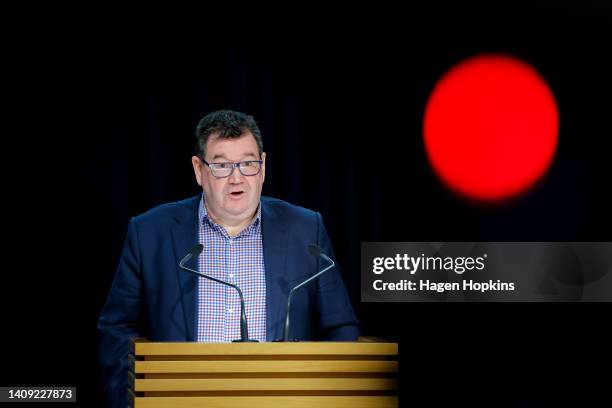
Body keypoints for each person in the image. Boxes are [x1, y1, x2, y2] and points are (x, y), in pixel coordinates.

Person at [97, 109, 360, 407]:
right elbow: (117, 328)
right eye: (221, 166)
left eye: (248, 163)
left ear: (263, 167)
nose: (237, 178)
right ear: (199, 169)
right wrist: (130, 401)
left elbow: (340, 327)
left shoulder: (305, 229)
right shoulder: (149, 232)